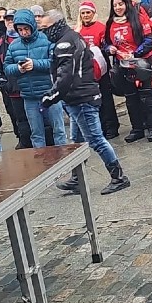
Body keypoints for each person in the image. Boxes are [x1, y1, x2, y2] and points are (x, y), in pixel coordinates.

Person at [43, 10, 131, 195]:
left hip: (81, 98)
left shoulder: (65, 44)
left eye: (46, 28)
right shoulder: (75, 36)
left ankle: (118, 177)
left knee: (96, 140)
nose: (45, 32)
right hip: (80, 97)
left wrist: (50, 97)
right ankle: (77, 179)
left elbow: (65, 77)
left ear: (56, 25)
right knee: (77, 141)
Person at [5, 9, 67, 148]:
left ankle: (65, 159)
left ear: (32, 26)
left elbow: (54, 61)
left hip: (49, 92)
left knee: (58, 130)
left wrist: (35, 64)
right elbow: (7, 67)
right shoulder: (14, 46)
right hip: (29, 95)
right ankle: (43, 163)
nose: (23, 33)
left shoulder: (46, 39)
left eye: (26, 29)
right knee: (36, 134)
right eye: (20, 29)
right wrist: (18, 68)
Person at [106, 0, 152, 142]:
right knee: (131, 98)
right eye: (115, 5)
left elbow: (149, 40)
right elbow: (106, 42)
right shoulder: (110, 23)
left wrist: (135, 53)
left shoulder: (138, 18)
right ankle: (137, 129)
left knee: (147, 96)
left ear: (126, 4)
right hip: (123, 65)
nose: (118, 7)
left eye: (120, 4)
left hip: (141, 63)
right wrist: (109, 48)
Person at [0, 8, 36, 149]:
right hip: (12, 91)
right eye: (7, 19)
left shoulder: (29, 39)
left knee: (37, 121)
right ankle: (25, 146)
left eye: (12, 19)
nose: (9, 22)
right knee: (20, 121)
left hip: (31, 88)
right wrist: (4, 83)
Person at [76, 1, 120, 138]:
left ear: (93, 13)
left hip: (102, 69)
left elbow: (106, 44)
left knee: (106, 98)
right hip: (87, 72)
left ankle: (112, 126)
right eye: (83, 13)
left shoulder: (101, 27)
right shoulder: (77, 30)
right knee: (93, 100)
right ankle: (99, 127)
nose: (85, 15)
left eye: (88, 12)